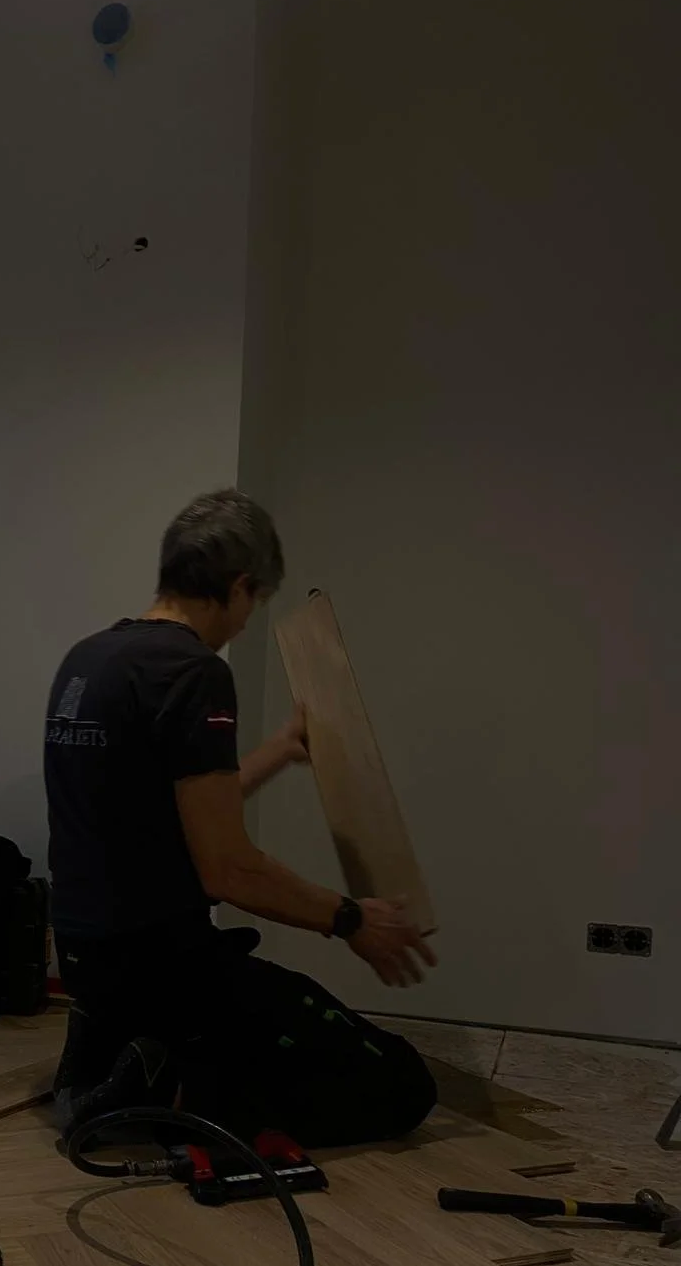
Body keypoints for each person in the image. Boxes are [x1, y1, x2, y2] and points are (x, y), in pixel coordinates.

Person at [43, 488, 438, 1148]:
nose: (248, 620)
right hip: (163, 964)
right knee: (400, 1085)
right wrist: (351, 920)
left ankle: (114, 1040)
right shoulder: (192, 672)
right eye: (253, 600)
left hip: (90, 958)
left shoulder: (89, 660)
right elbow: (228, 868)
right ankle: (167, 1092)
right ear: (239, 584)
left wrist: (280, 751)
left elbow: (164, 807)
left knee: (258, 1014)